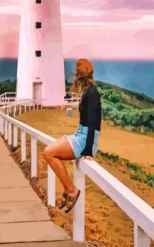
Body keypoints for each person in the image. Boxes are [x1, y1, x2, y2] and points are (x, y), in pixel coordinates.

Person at [42, 58, 101, 213]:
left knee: (49, 153)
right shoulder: (88, 91)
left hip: (85, 138)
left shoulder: (92, 93)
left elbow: (94, 123)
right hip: (81, 133)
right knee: (52, 148)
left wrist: (88, 151)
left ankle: (72, 190)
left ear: (78, 73)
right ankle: (67, 190)